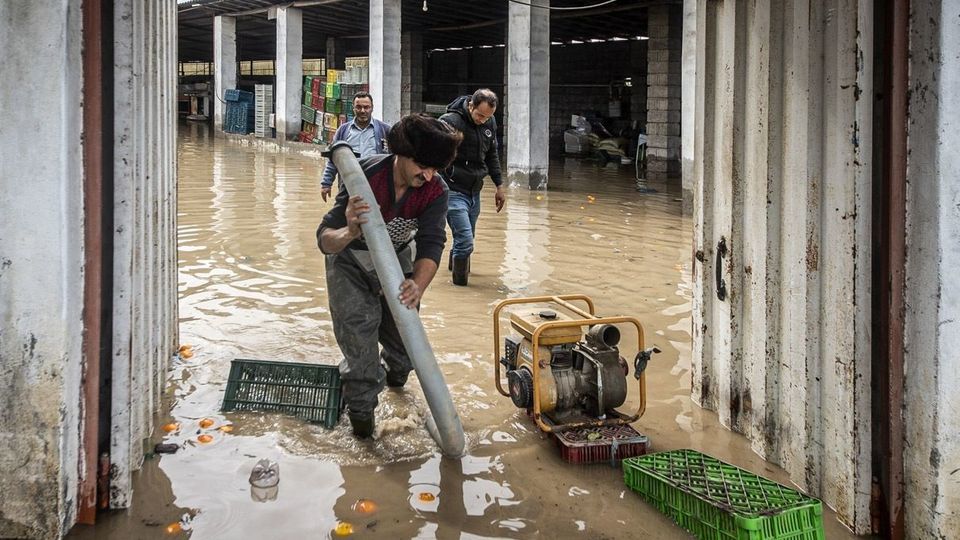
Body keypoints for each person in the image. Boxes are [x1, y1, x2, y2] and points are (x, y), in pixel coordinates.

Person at [316, 114, 462, 438]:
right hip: (350, 265)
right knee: (362, 361)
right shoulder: (365, 176)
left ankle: (396, 391)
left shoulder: (435, 190)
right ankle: (362, 431)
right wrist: (350, 231)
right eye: (422, 165)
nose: (428, 175)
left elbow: (432, 242)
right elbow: (324, 238)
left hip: (395, 265)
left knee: (405, 351)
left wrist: (417, 286)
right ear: (401, 153)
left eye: (435, 169)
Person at [439, 88, 506, 286]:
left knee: (467, 238)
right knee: (466, 240)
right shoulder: (450, 122)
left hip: (475, 190)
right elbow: (436, 154)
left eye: (488, 117)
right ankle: (460, 286)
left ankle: (455, 268)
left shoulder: (489, 123)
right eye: (480, 115)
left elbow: (492, 154)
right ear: (470, 105)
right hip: (453, 189)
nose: (483, 120)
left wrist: (499, 185)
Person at [320, 92, 392, 202]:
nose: (362, 111)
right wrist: (326, 183)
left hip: (377, 184)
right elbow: (333, 158)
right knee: (348, 216)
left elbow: (395, 159)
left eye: (366, 107)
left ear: (372, 108)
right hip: (349, 184)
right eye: (358, 107)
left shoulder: (385, 130)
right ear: (353, 108)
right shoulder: (343, 131)